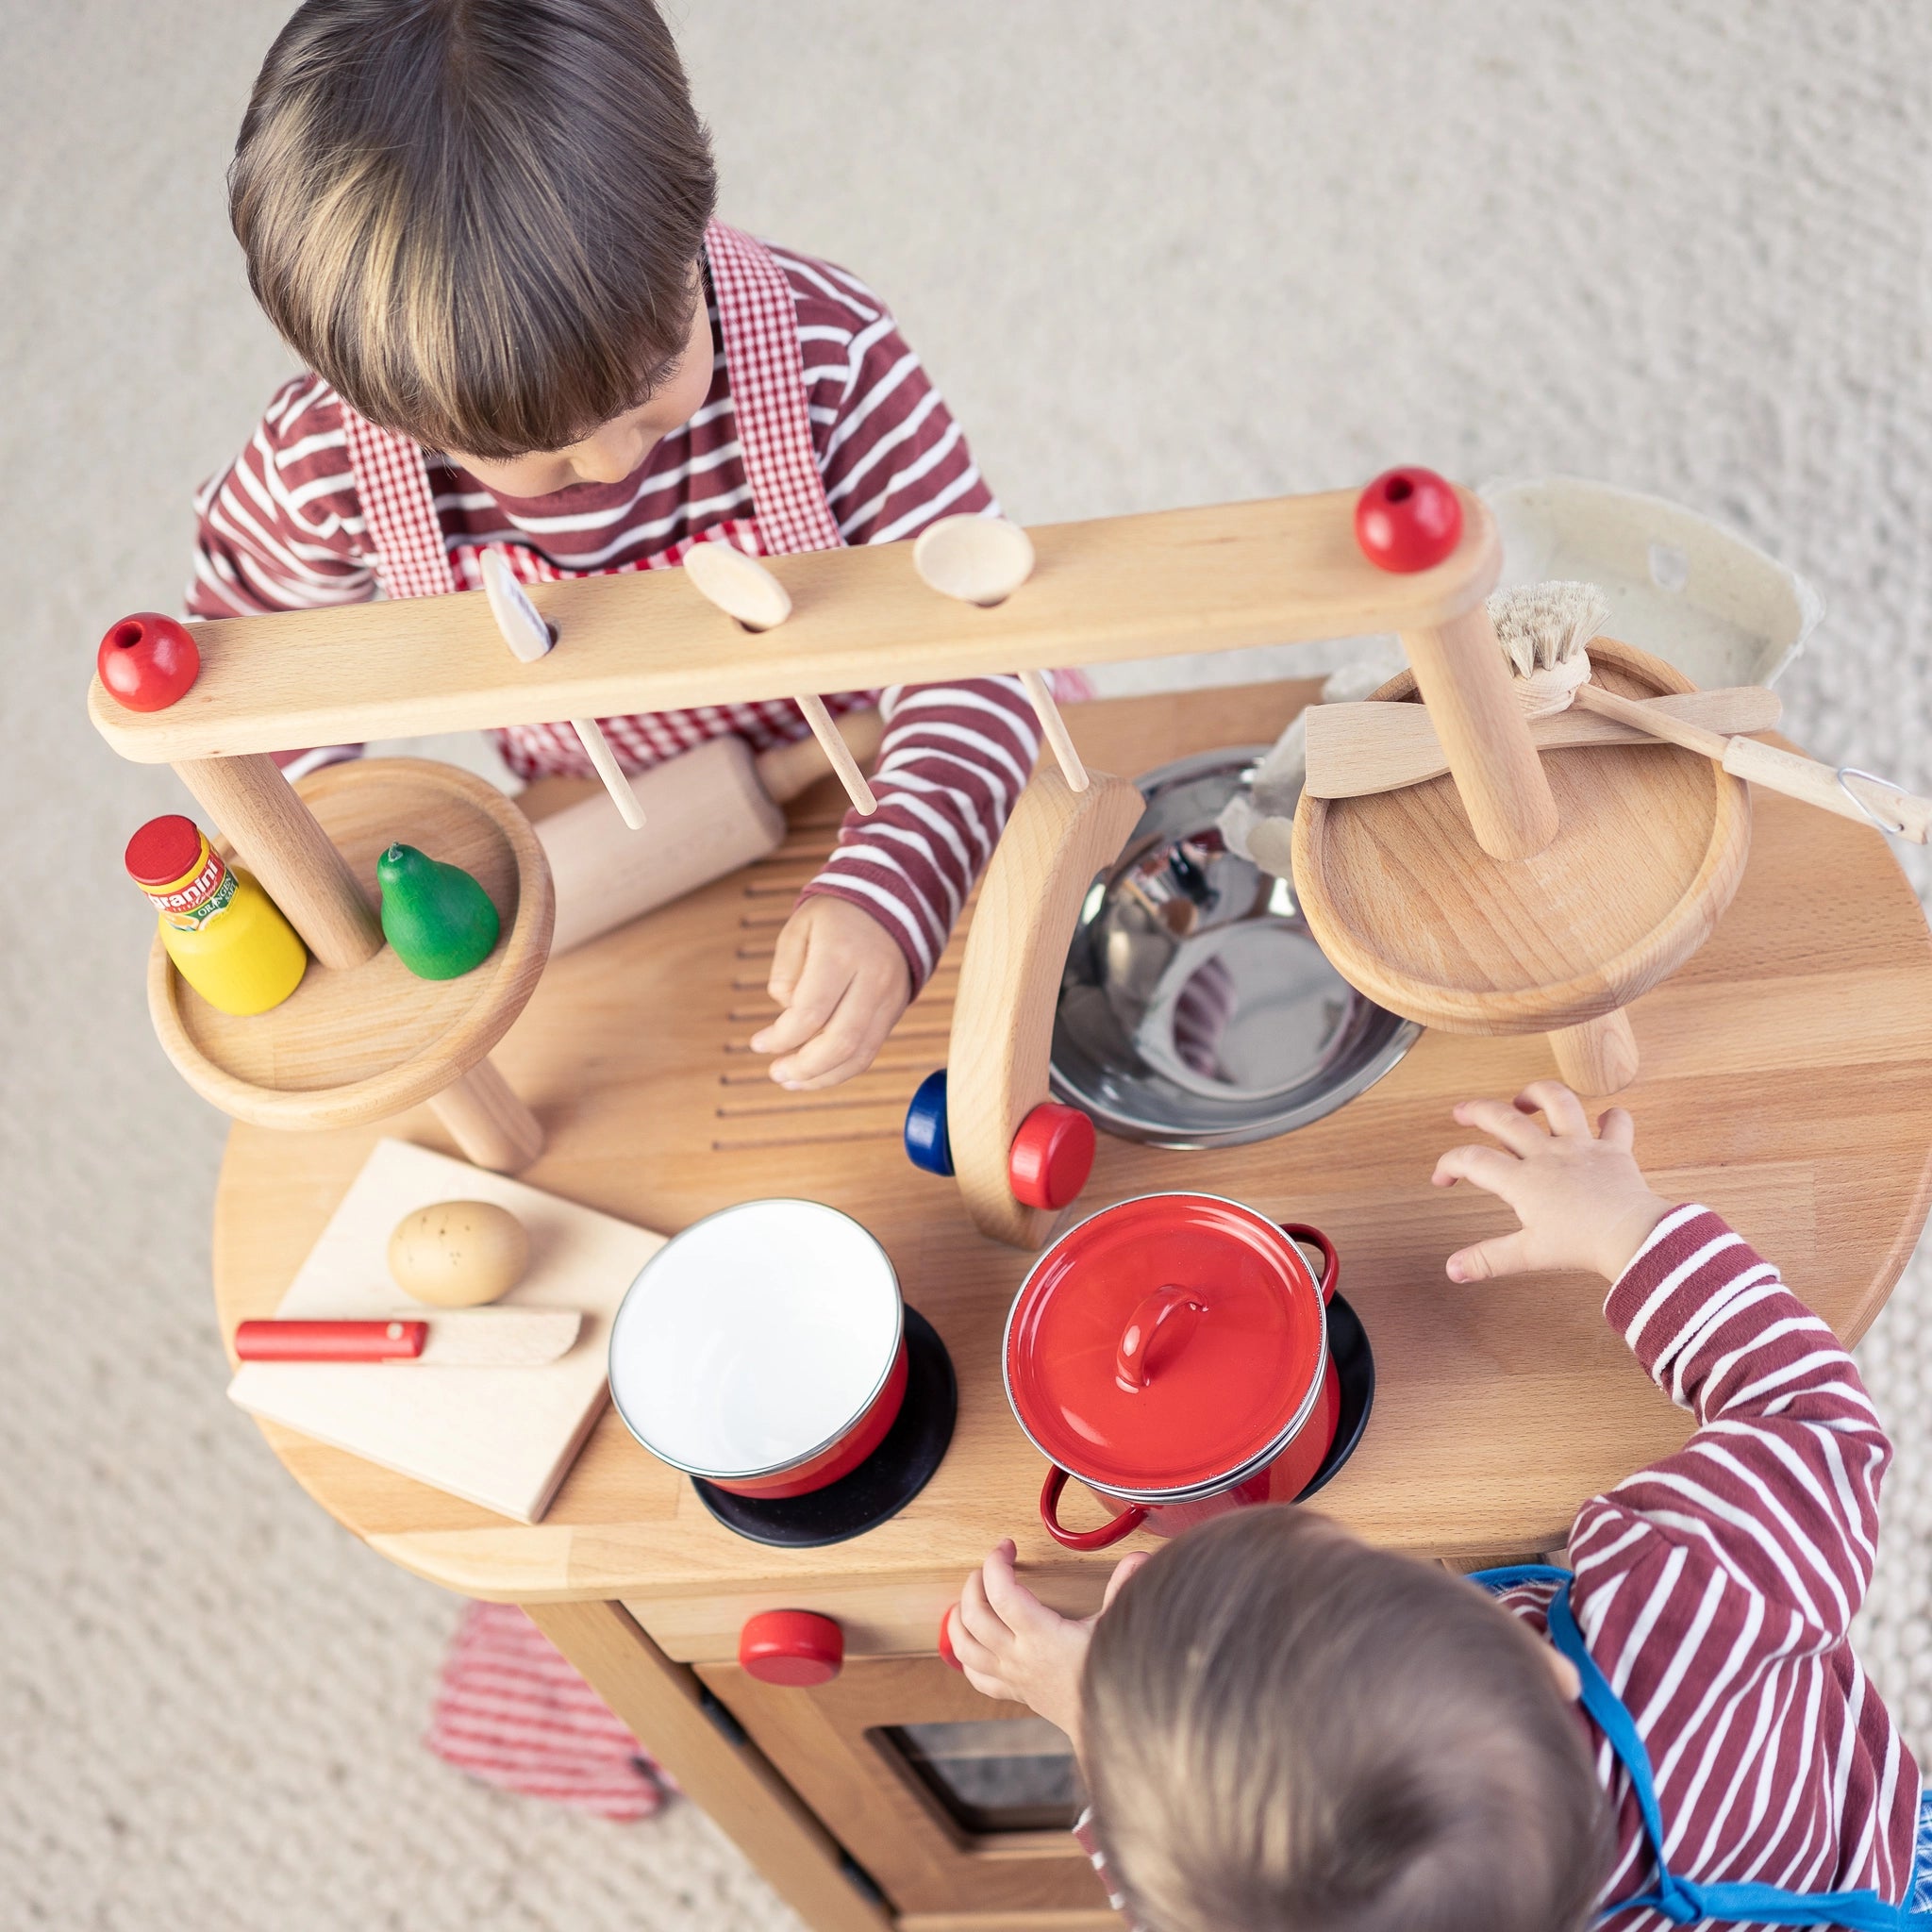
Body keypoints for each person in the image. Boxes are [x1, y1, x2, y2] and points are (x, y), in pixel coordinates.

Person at [191, 0, 1052, 1091]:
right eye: (529, 450)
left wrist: (899, 876)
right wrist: (332, 877)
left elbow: (986, 646)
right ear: (391, 413)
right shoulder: (322, 464)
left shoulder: (828, 354)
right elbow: (255, 699)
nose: (607, 464)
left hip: (906, 768)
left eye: (653, 386)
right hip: (616, 820)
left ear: (692, 218)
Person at [948, 1081, 1929, 1930]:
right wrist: (1621, 1225)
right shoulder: (1686, 1612)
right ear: (1546, 1663)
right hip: (1863, 1849)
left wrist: (1103, 1722)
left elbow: (1222, 1894)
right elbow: (1810, 1416)